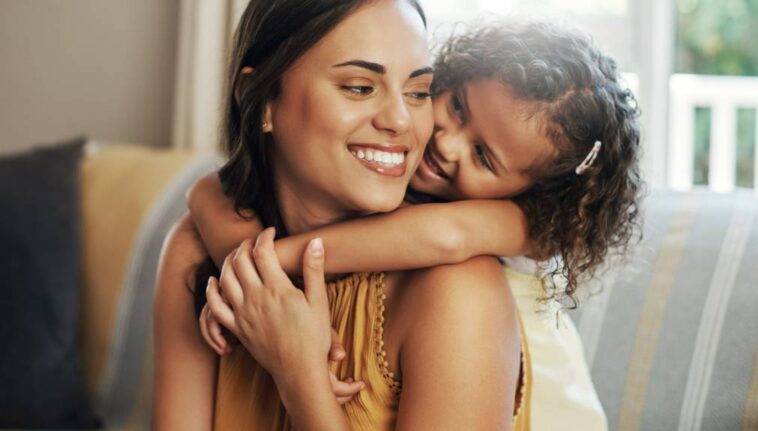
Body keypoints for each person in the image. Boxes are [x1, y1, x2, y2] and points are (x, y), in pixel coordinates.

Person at [190, 18, 642, 430]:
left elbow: (443, 236)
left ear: (530, 192)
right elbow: (209, 194)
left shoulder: (524, 225)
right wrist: (249, 275)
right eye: (459, 107)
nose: (447, 144)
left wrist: (266, 269)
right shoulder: (386, 182)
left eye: (482, 156)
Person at [153, 1, 528, 430]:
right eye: (358, 87)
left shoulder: (459, 289)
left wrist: (300, 375)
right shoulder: (196, 250)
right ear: (259, 101)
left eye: (419, 92)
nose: (400, 120)